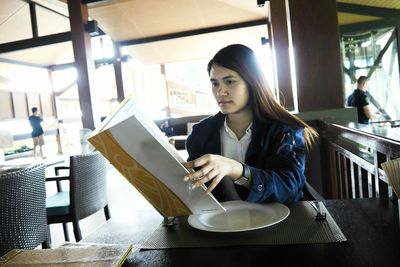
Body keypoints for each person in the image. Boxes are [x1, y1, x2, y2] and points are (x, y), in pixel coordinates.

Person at [182, 44, 317, 205]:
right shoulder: (201, 132)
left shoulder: (285, 129)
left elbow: (288, 187)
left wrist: (236, 170)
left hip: (281, 223)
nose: (220, 92)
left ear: (252, 82)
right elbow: (192, 188)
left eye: (230, 81)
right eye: (215, 83)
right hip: (221, 224)